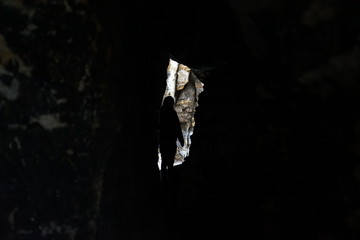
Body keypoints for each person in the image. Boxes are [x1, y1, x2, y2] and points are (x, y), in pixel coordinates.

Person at [159, 96, 184, 184]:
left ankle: (164, 180)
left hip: (163, 141)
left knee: (164, 160)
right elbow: (177, 127)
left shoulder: (160, 112)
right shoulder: (172, 113)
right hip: (170, 141)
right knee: (170, 161)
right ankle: (170, 180)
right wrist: (181, 140)